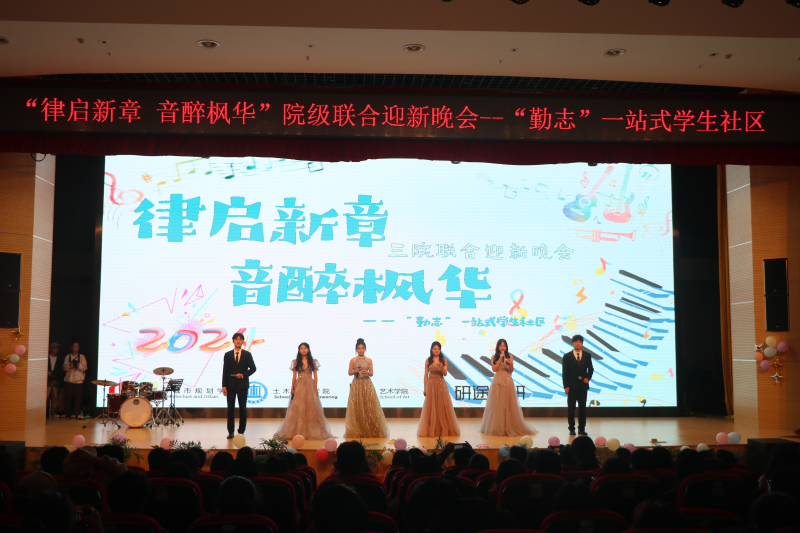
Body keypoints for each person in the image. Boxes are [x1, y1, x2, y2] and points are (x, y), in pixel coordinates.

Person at [274, 342, 335, 440]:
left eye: (305, 348)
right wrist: (292, 388)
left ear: (308, 350)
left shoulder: (313, 361)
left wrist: (315, 388)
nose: (303, 350)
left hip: (310, 385)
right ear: (299, 350)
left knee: (311, 407)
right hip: (299, 385)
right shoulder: (296, 362)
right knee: (299, 407)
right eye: (301, 348)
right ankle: (298, 430)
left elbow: (315, 376)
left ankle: (312, 430)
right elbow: (294, 376)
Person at [479, 339, 537, 436]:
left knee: (508, 403)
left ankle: (508, 426)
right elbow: (494, 369)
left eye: (504, 346)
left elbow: (511, 370)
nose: (502, 347)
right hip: (497, 381)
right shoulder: (494, 357)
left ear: (506, 347)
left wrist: (510, 363)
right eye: (500, 346)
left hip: (507, 381)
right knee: (497, 403)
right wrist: (499, 359)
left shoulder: (510, 356)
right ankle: (497, 427)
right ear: (498, 347)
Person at [344, 338, 389, 438]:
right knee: (357, 406)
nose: (361, 350)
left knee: (369, 405)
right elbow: (349, 373)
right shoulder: (353, 360)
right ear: (356, 349)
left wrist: (367, 372)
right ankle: (358, 429)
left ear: (365, 349)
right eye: (359, 348)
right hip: (357, 384)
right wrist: (355, 371)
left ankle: (371, 428)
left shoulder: (369, 360)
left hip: (367, 384)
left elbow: (372, 373)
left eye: (362, 348)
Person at [418, 341, 460, 437]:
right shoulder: (428, 360)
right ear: (431, 349)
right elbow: (426, 375)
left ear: (440, 350)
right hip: (431, 384)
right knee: (431, 406)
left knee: (442, 406)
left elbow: (445, 374)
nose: (436, 350)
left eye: (438, 349)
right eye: (435, 349)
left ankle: (443, 429)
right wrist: (425, 388)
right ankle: (431, 429)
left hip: (441, 384)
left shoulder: (443, 360)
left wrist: (442, 367)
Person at [222, 332, 257, 439]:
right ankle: (231, 432)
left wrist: (243, 375)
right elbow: (225, 371)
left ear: (242, 341)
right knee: (230, 409)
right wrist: (224, 386)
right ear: (233, 341)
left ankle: (241, 431)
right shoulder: (228, 355)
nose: (238, 341)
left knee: (242, 409)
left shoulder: (247, 354)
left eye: (240, 339)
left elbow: (253, 368)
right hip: (230, 385)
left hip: (242, 385)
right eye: (236, 339)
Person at [562, 334, 593, 436]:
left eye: (580, 341)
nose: (578, 343)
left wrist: (588, 378)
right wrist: (566, 386)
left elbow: (591, 369)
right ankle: (571, 428)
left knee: (582, 409)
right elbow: (565, 373)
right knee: (571, 409)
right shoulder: (567, 356)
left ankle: (581, 429)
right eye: (576, 341)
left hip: (583, 387)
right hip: (571, 387)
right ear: (573, 343)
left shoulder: (587, 355)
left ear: (582, 343)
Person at [62, 341, 87, 418]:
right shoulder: (68, 356)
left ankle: (75, 413)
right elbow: (65, 368)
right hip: (69, 379)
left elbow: (84, 368)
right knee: (68, 397)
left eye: (78, 346)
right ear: (71, 347)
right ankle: (67, 413)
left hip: (79, 380)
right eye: (75, 346)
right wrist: (70, 365)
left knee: (77, 398)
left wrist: (78, 365)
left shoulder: (81, 356)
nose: (76, 348)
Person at [47, 342, 64, 418]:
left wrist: (54, 377)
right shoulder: (47, 358)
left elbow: (59, 370)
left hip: (55, 380)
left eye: (57, 348)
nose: (56, 349)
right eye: (55, 348)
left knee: (55, 397)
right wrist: (51, 377)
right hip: (47, 380)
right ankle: (45, 411)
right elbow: (47, 371)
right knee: (46, 396)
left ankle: (53, 411)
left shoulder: (59, 358)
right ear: (50, 349)